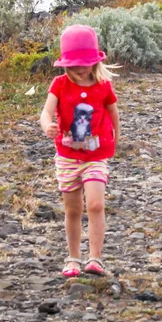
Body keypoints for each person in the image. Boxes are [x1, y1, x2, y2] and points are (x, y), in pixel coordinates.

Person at [39, 24, 119, 279]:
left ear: (94, 60)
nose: (79, 68)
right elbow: (46, 112)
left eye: (84, 62)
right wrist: (47, 127)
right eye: (74, 63)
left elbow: (113, 114)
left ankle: (95, 258)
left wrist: (116, 140)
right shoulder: (60, 84)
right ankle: (73, 257)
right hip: (67, 157)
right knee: (73, 210)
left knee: (95, 204)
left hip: (96, 156)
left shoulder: (104, 85)